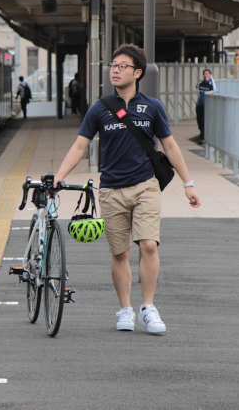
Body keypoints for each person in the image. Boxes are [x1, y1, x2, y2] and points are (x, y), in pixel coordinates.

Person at [53, 44, 201, 334]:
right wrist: (59, 177)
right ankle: (125, 309)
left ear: (137, 73)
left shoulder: (152, 107)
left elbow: (169, 145)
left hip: (146, 185)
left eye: (122, 66)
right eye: (113, 65)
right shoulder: (99, 108)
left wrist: (188, 184)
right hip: (111, 189)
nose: (116, 70)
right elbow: (80, 145)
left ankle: (148, 308)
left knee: (148, 244)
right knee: (120, 253)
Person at [195, 69, 215, 145]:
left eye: (207, 74)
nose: (205, 75)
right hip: (199, 105)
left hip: (206, 106)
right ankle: (201, 134)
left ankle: (202, 137)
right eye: (204, 74)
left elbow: (215, 89)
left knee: (204, 121)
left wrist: (212, 79)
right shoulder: (200, 83)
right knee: (199, 121)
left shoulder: (210, 84)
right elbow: (197, 90)